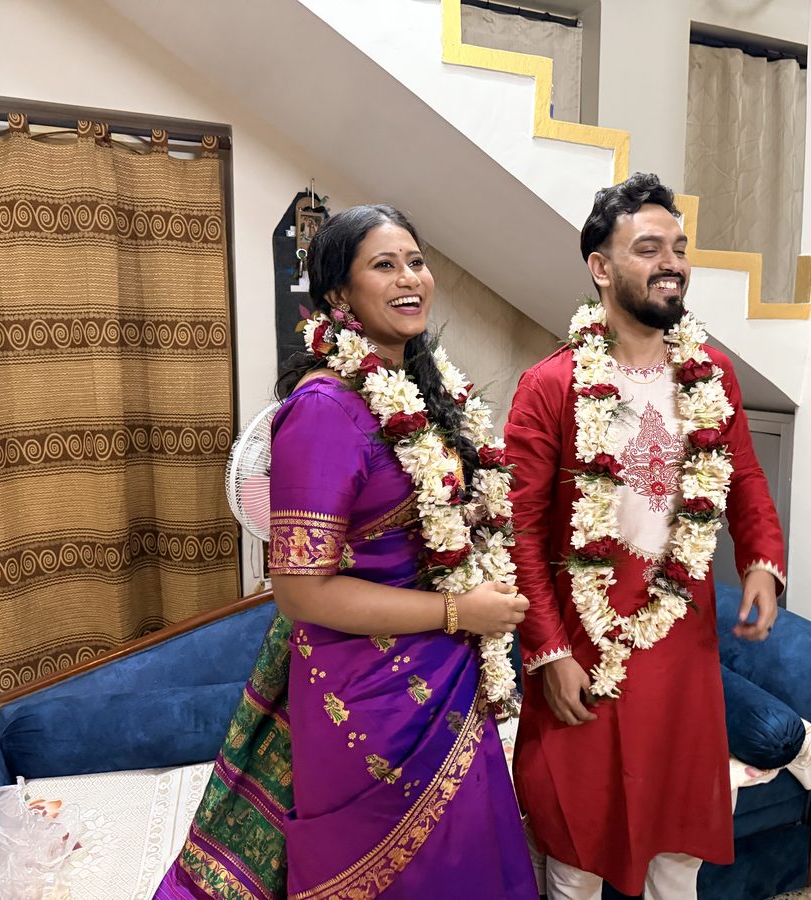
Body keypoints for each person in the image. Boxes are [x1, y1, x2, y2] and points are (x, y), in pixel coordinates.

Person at [157, 204, 538, 899]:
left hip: (448, 673)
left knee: (467, 859)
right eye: (384, 265)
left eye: (416, 261)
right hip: (370, 693)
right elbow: (301, 591)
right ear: (339, 293)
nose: (410, 279)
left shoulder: (422, 386)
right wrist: (459, 611)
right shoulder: (324, 412)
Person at [505, 173, 787, 900]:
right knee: (577, 851)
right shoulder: (551, 385)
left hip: (680, 644)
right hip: (583, 646)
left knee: (677, 850)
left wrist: (762, 564)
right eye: (649, 247)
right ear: (601, 268)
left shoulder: (711, 373)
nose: (673, 263)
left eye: (680, 248)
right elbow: (522, 533)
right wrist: (548, 652)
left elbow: (746, 481)